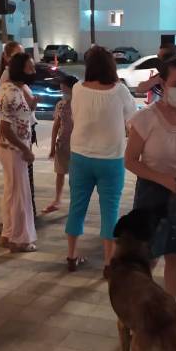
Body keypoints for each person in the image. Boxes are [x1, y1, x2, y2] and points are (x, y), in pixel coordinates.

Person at [125, 56, 176, 299]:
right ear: (162, 83)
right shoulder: (145, 118)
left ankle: (170, 308)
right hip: (151, 196)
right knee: (148, 257)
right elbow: (130, 161)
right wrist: (164, 180)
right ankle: (140, 310)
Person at [66, 46, 136, 274]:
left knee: (77, 207)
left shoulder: (77, 88)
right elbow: (132, 120)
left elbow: (76, 116)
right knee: (110, 211)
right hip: (111, 159)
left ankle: (71, 256)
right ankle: (108, 263)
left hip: (80, 156)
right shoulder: (120, 91)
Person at [0, 53, 39, 252]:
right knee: (20, 194)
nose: (34, 71)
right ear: (20, 69)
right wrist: (25, 150)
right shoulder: (12, 93)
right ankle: (19, 239)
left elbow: (18, 117)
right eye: (30, 68)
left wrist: (31, 106)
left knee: (12, 192)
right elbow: (5, 128)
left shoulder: (11, 88)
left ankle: (8, 233)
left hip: (10, 148)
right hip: (13, 149)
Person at [44, 75, 79, 214]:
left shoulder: (80, 105)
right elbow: (56, 126)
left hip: (77, 145)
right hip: (62, 144)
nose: (62, 92)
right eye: (61, 89)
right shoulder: (61, 105)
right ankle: (57, 200)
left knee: (75, 175)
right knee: (60, 172)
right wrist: (53, 146)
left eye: (64, 89)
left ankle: (75, 201)